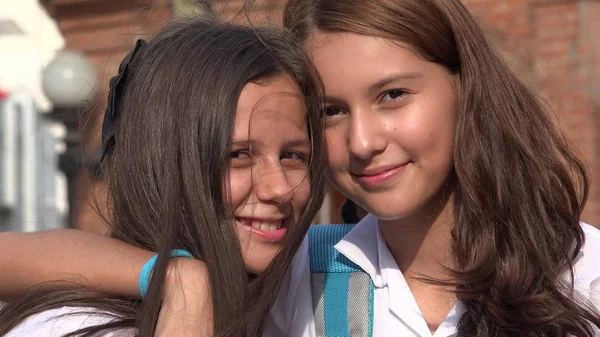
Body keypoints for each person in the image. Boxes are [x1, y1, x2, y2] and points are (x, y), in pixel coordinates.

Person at [2, 0, 600, 336]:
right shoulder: (299, 275)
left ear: (467, 90)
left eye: (392, 95)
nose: (362, 141)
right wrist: (177, 277)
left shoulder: (582, 273)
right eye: (331, 112)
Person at [0, 16, 326, 337]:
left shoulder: (309, 290)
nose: (280, 188)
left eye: (293, 155)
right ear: (163, 161)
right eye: (238, 155)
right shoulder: (75, 328)